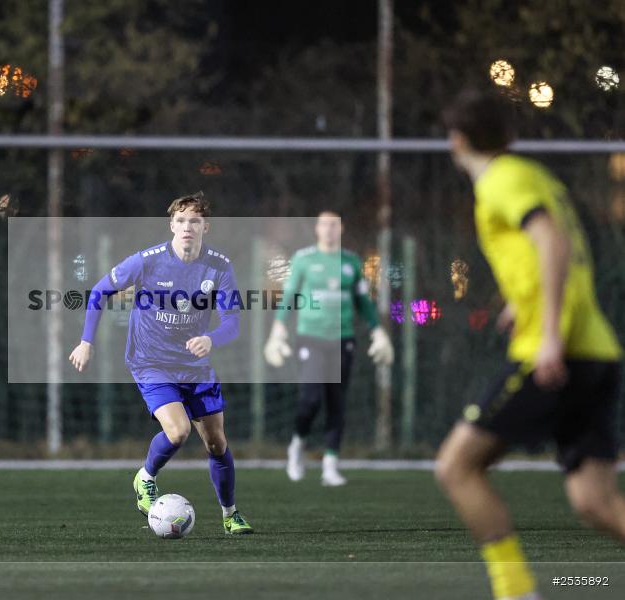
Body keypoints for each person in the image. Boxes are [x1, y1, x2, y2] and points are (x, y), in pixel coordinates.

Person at [437, 88, 624, 600]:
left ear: (456, 142)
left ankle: (516, 591)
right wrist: (522, 301)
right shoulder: (534, 175)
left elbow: (552, 241)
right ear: (511, 135)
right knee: (595, 502)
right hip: (597, 350)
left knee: (456, 467)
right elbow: (554, 248)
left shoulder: (501, 180)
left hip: (556, 353)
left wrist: (548, 337)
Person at [69, 191, 253, 534]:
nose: (187, 227)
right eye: (181, 220)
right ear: (171, 225)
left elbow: (233, 323)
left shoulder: (219, 266)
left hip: (195, 367)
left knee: (216, 443)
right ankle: (146, 477)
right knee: (179, 430)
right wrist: (85, 341)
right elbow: (98, 292)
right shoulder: (147, 261)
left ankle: (230, 514)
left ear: (205, 227)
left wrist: (212, 338)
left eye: (194, 221)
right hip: (150, 361)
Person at [264, 211, 394, 486]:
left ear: (341, 228)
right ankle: (297, 445)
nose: (329, 229)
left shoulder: (350, 262)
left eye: (334, 224)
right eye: (324, 224)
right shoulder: (304, 259)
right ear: (317, 229)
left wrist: (378, 331)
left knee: (337, 402)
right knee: (311, 399)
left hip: (343, 339)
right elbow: (289, 296)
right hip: (310, 337)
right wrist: (278, 330)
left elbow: (363, 301)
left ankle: (330, 465)